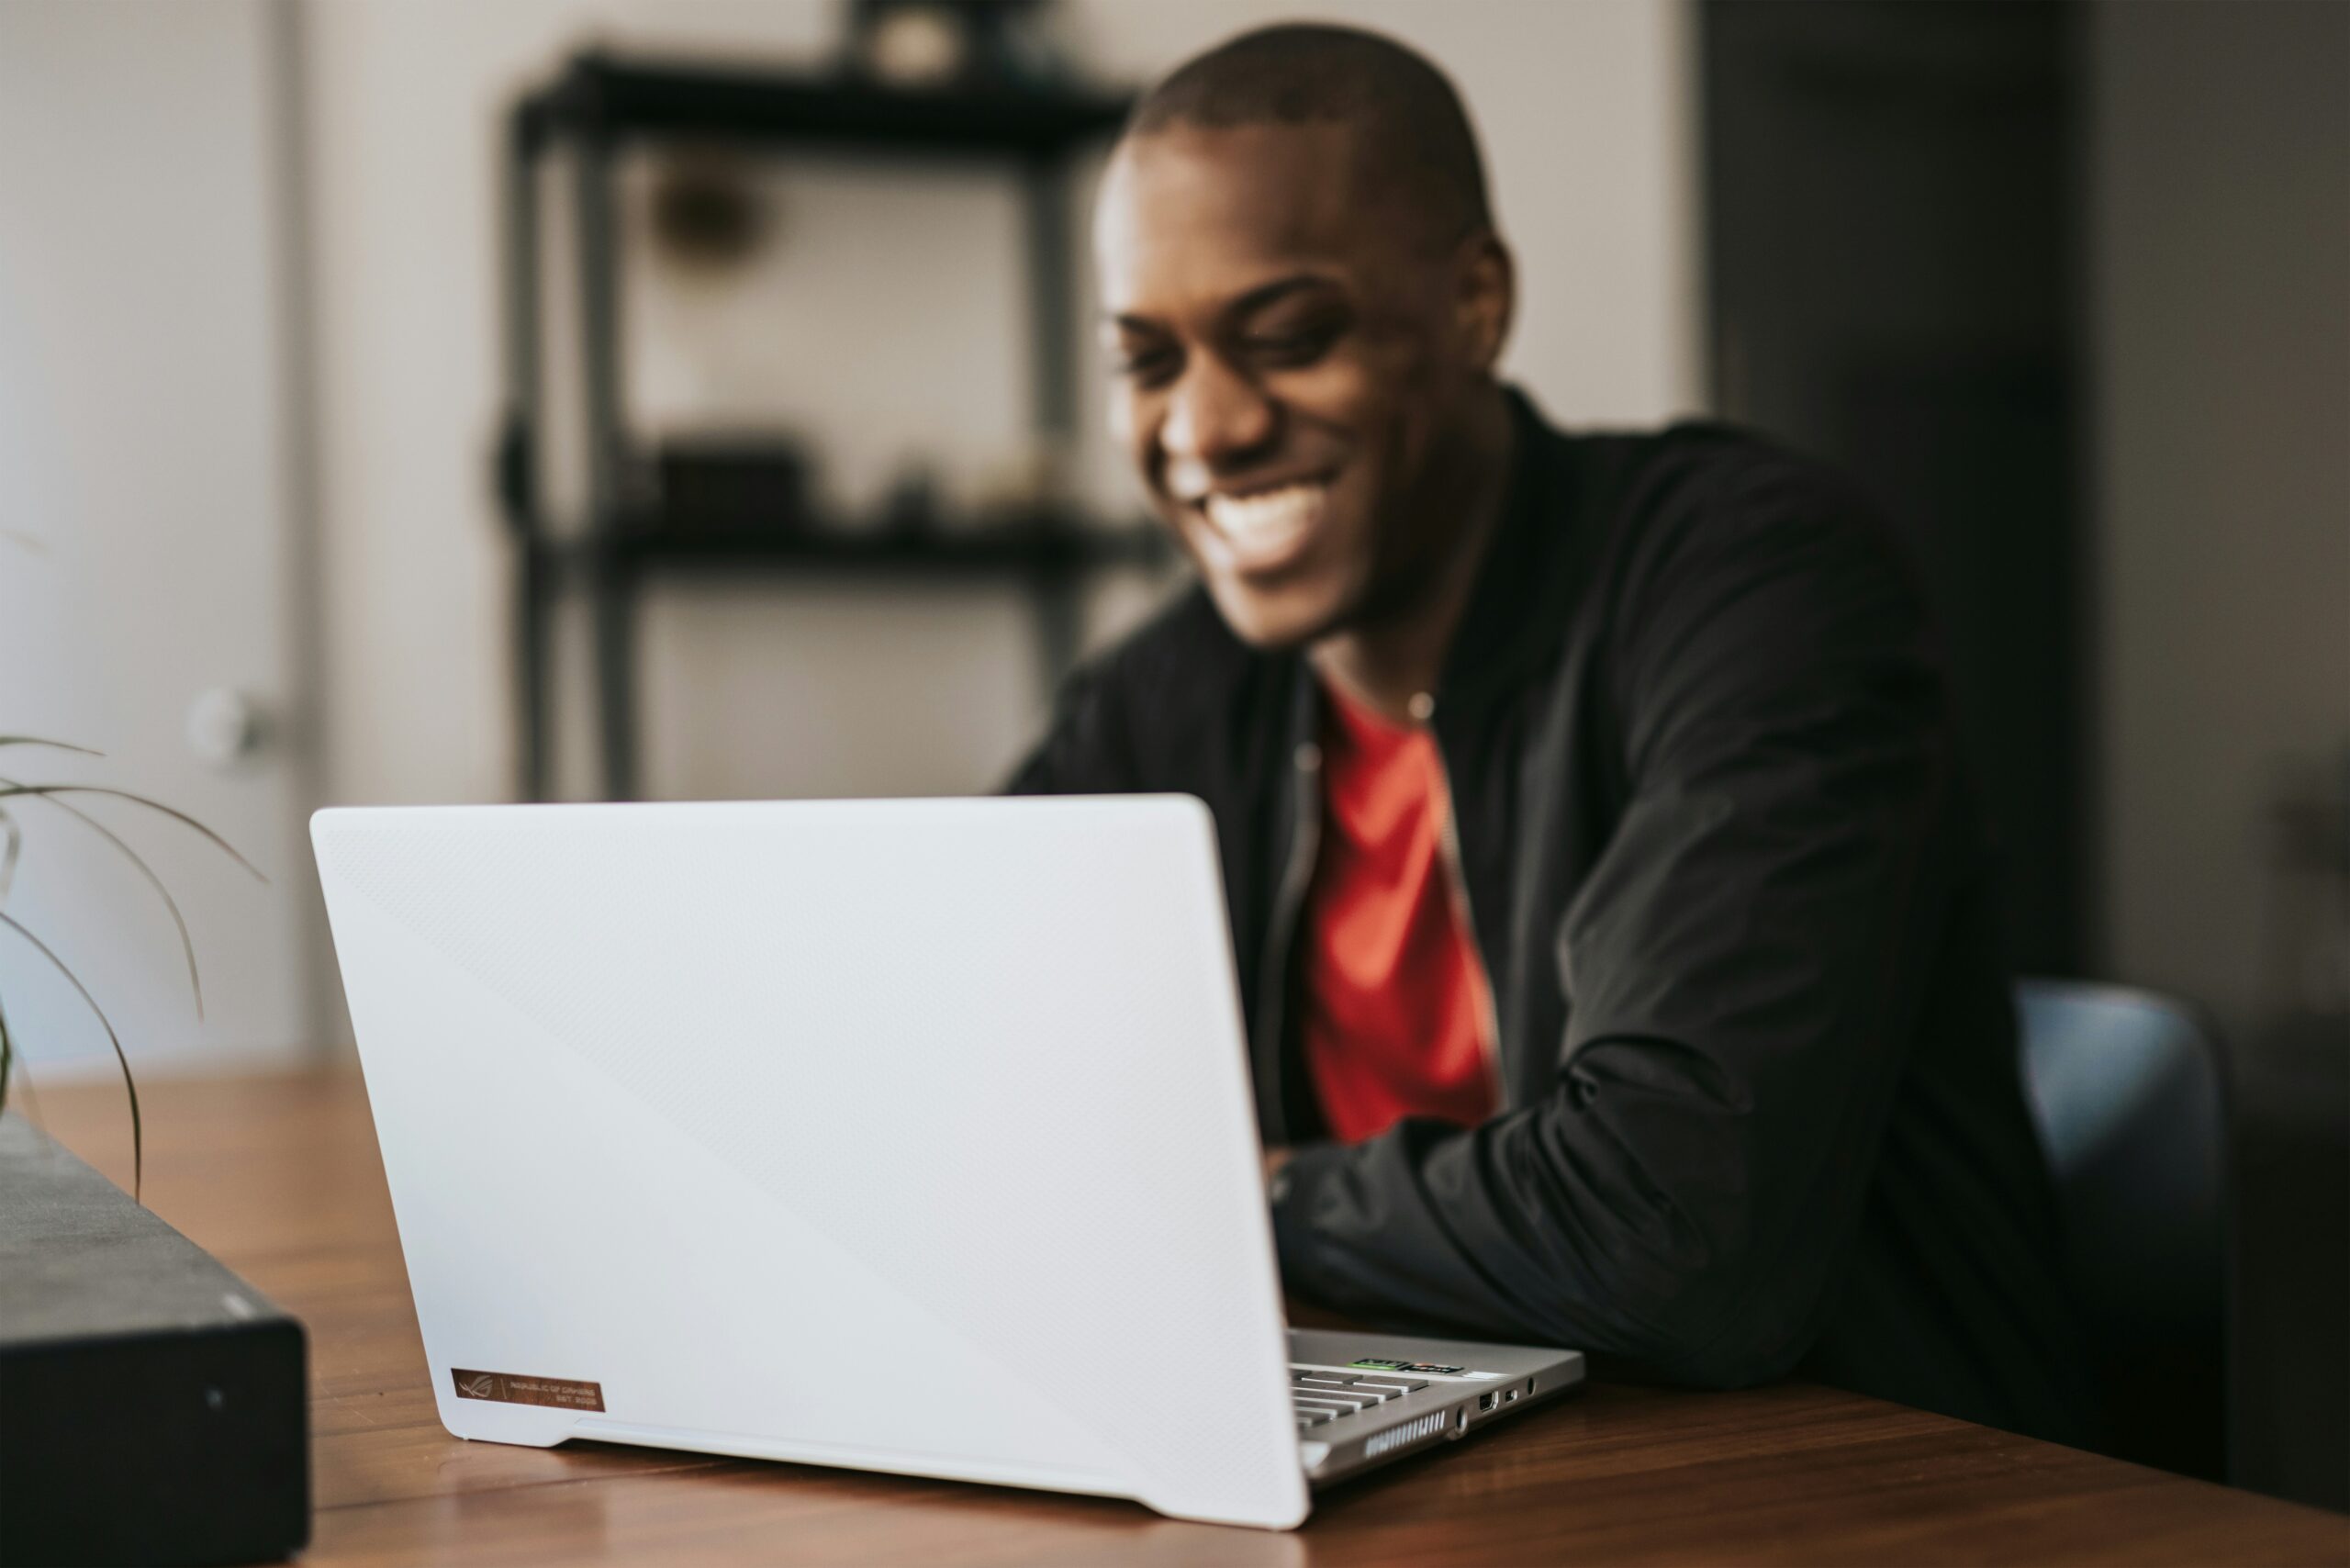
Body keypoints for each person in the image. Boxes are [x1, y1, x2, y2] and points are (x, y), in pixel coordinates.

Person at [1010, 22, 2093, 1445]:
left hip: (1850, 1485)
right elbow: (972, 1084)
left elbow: (1668, 1233)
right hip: (1453, 1460)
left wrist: (1248, 1189)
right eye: (1146, 362)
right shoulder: (1170, 695)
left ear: (1475, 302)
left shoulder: (1754, 585)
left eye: (1290, 338)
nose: (1203, 428)